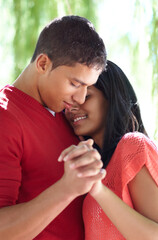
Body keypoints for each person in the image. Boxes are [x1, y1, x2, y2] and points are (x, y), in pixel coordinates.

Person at [0, 15, 107, 239]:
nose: (80, 98)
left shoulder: (67, 115)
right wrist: (67, 188)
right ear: (42, 64)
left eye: (88, 87)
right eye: (75, 84)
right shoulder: (5, 118)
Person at [65, 60, 158, 239]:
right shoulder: (100, 167)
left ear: (111, 97)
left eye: (85, 96)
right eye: (69, 102)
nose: (72, 108)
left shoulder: (133, 146)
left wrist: (99, 190)